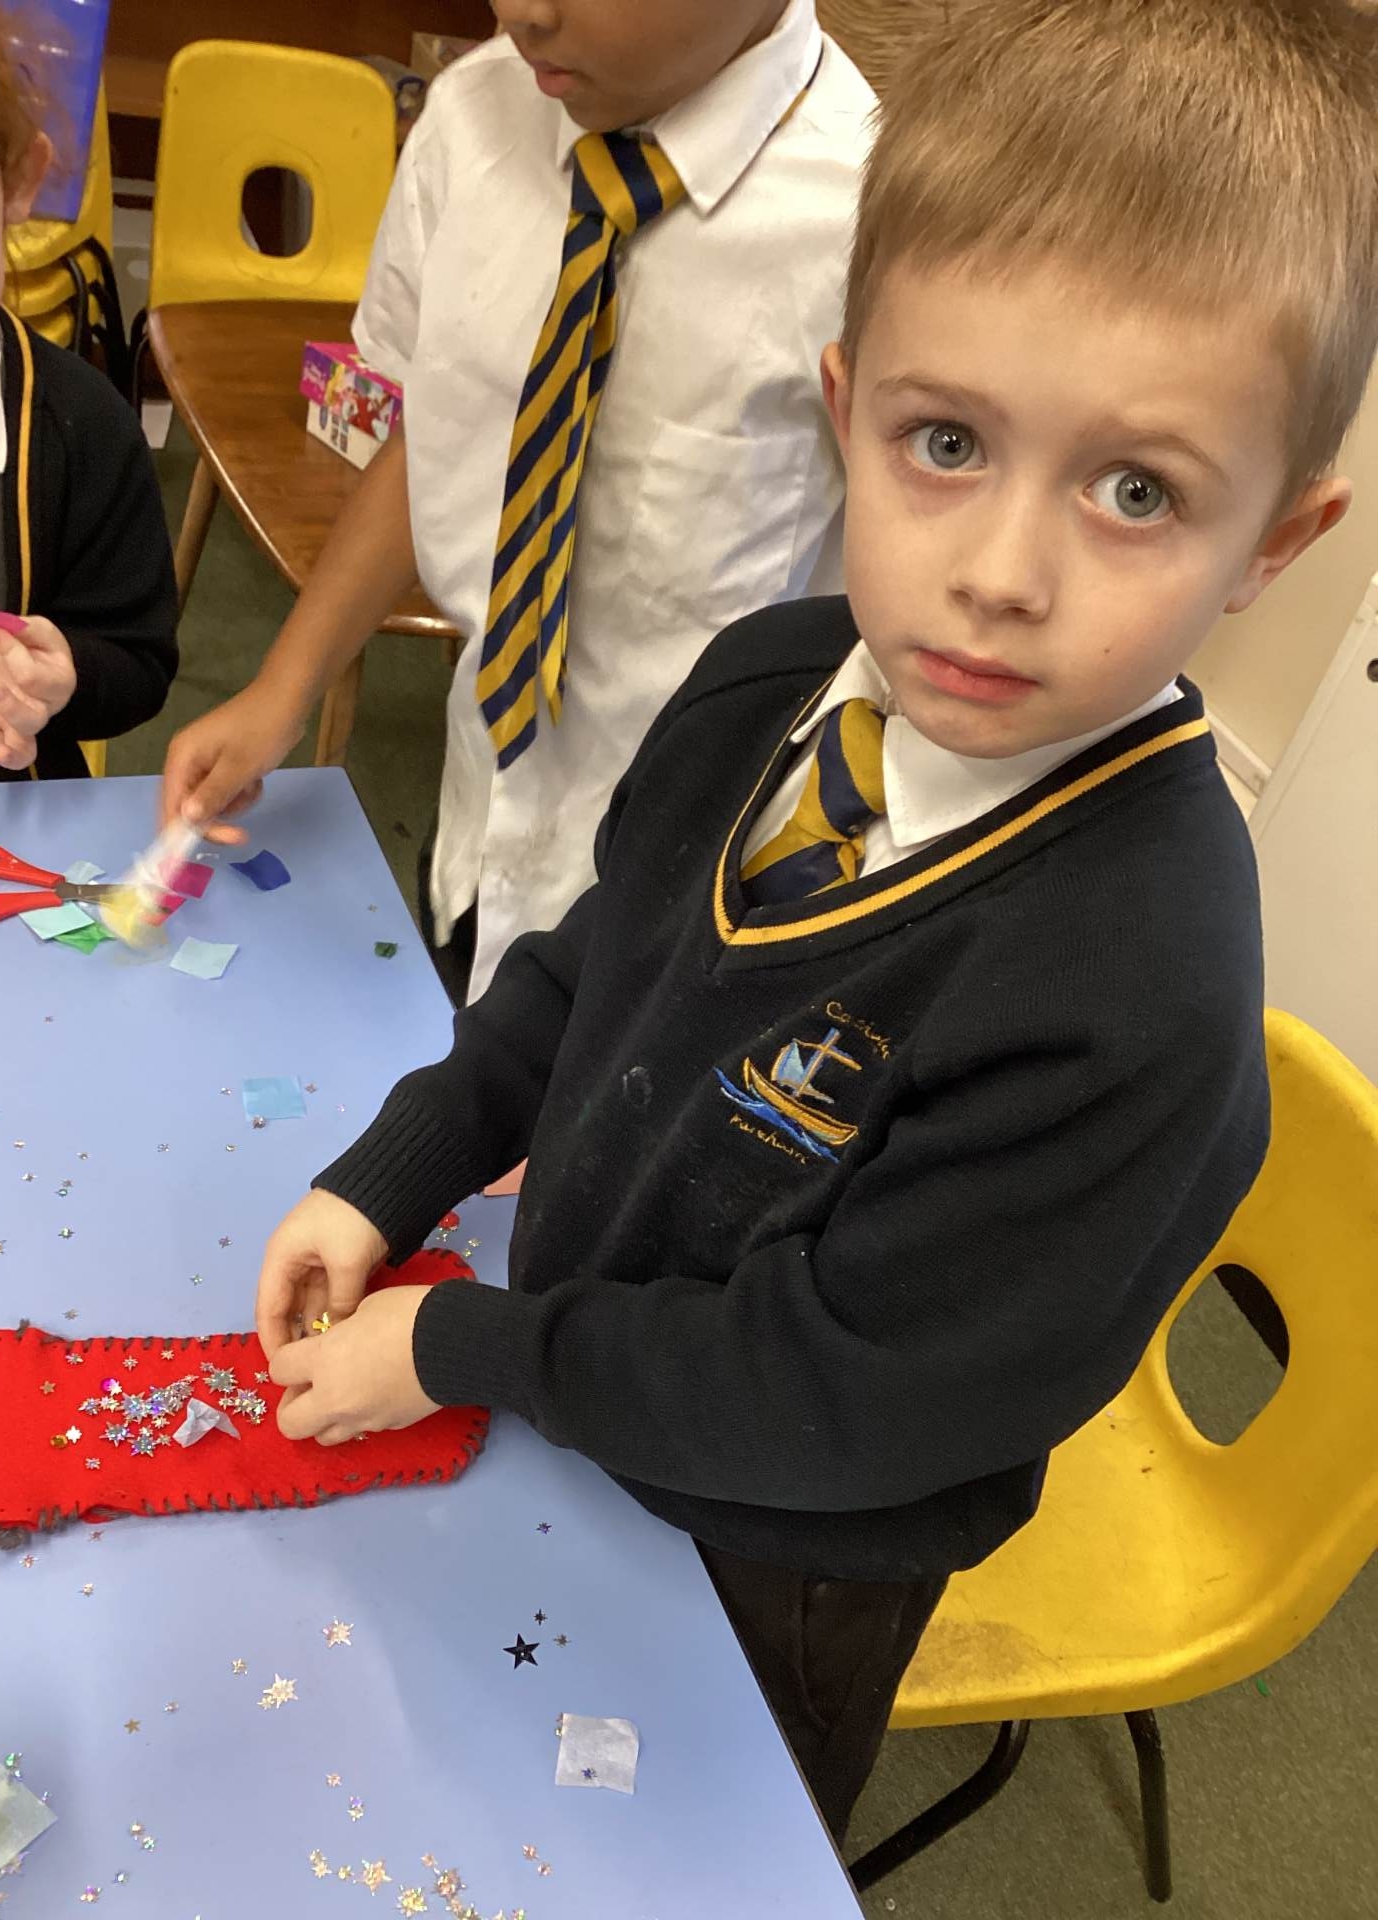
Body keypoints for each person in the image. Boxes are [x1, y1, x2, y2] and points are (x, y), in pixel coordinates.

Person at [248, 0, 1375, 1842]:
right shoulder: (766, 680)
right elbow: (592, 965)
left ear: (1273, 542)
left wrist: (464, 1351)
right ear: (846, 412)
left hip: (787, 1551)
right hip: (581, 1388)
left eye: (1137, 491)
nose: (999, 574)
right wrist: (404, 1167)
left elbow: (834, 1396)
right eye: (947, 442)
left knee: (652, 1847)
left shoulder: (1137, 991)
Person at [160, 0, 875, 999]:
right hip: (481, 826)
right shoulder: (472, 117)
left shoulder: (876, 219)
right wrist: (285, 688)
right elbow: (443, 436)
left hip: (696, 909)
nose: (524, 11)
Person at [0, 0, 177, 784]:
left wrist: (63, 678)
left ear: (19, 183)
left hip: (3, 825)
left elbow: (140, 661)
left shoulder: (83, 429)